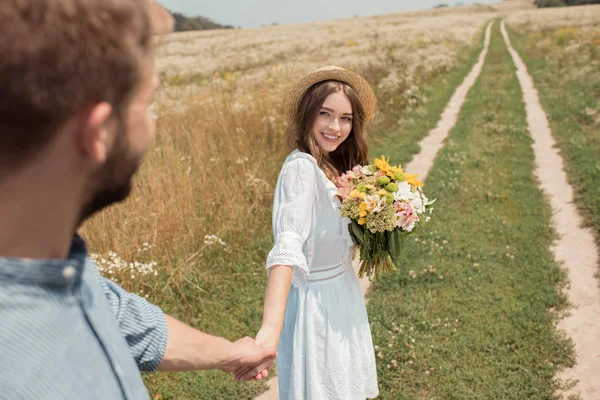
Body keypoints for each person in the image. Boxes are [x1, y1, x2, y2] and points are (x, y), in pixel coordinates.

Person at [0, 1, 273, 398]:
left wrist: (233, 353)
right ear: (98, 133)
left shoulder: (49, 262)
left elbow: (126, 321)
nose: (151, 124)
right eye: (147, 104)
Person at [242, 66, 380, 399]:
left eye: (346, 118)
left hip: (342, 292)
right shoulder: (302, 169)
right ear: (308, 115)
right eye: (325, 114)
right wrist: (268, 333)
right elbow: (287, 248)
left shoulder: (332, 165)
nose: (336, 127)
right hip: (317, 305)